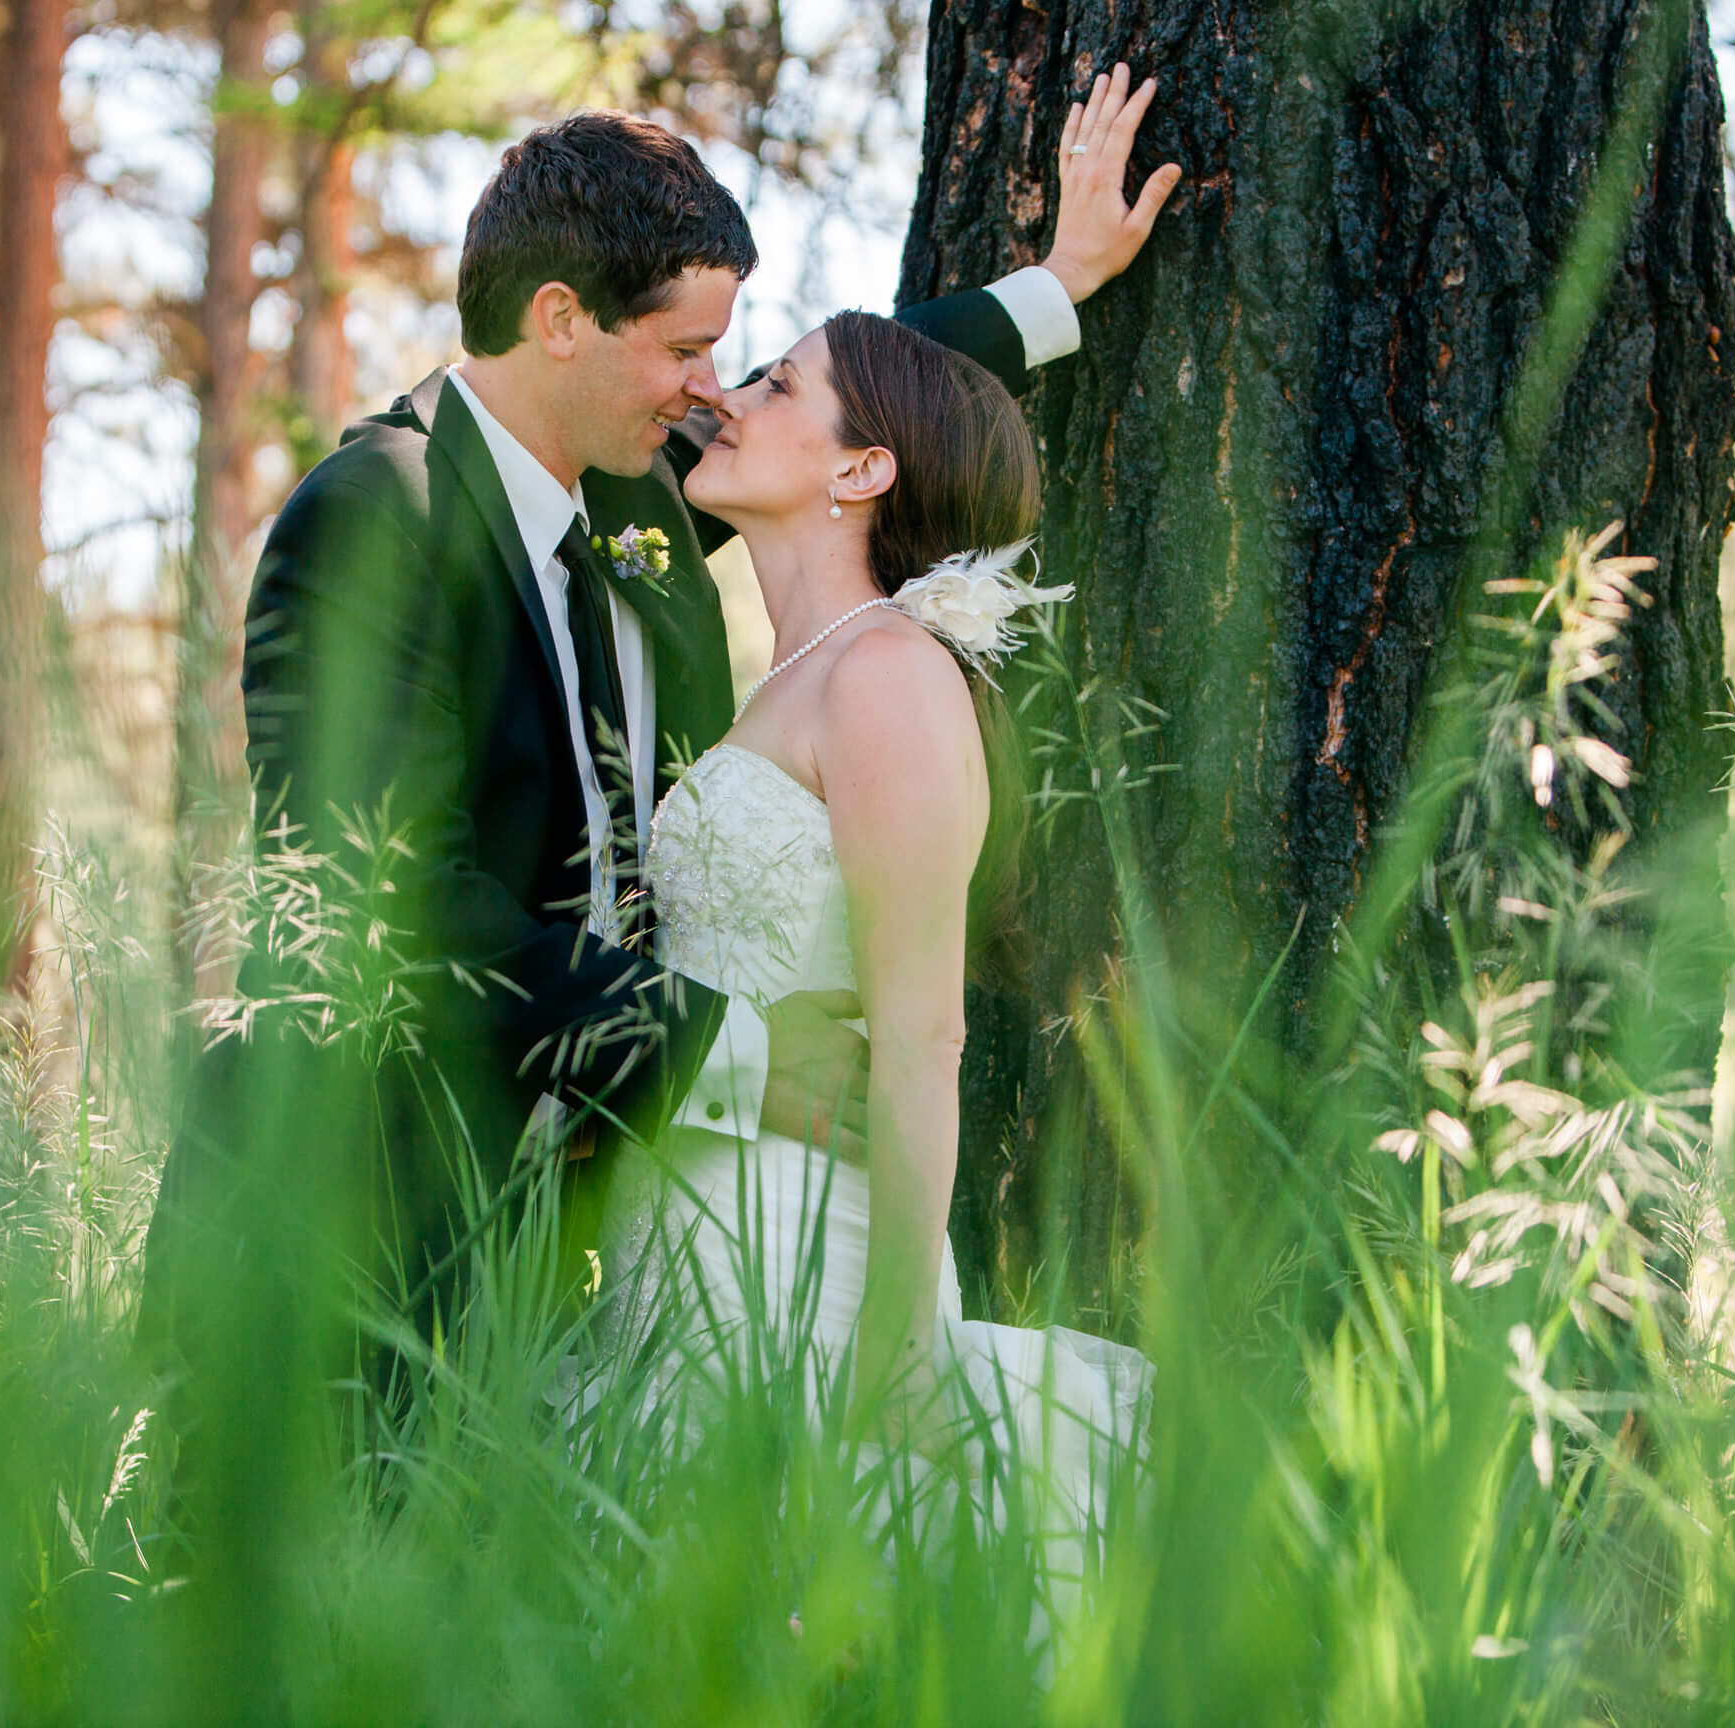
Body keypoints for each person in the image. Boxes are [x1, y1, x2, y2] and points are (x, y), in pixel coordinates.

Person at [141, 72, 1177, 1416]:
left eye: (729, 357)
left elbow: (844, 419)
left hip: (593, 1257)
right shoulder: (379, 522)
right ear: (561, 319)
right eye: (689, 353)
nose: (717, 393)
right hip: (353, 1240)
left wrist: (1059, 287)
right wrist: (737, 1054)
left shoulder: (631, 515)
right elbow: (384, 901)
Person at [594, 306, 1154, 1628]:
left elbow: (920, 1033)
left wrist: (904, 1342)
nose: (727, 399)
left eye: (777, 382)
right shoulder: (780, 680)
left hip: (796, 1261)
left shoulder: (890, 675)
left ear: (862, 471)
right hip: (681, 1231)